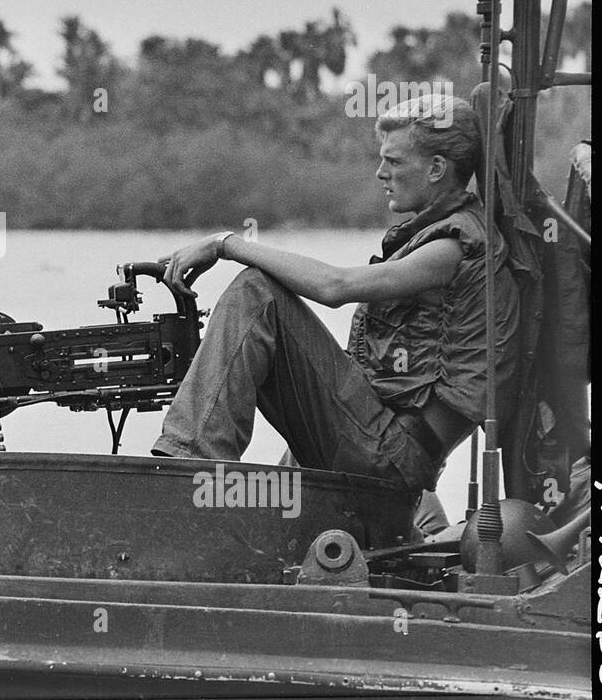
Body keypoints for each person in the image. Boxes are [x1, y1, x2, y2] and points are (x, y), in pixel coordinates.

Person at [150, 94, 519, 516]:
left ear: (436, 169)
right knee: (264, 306)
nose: (381, 173)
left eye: (394, 162)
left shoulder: (454, 246)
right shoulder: (438, 235)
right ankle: (207, 478)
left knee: (258, 292)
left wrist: (226, 244)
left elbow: (335, 286)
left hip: (390, 459)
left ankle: (186, 469)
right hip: (382, 443)